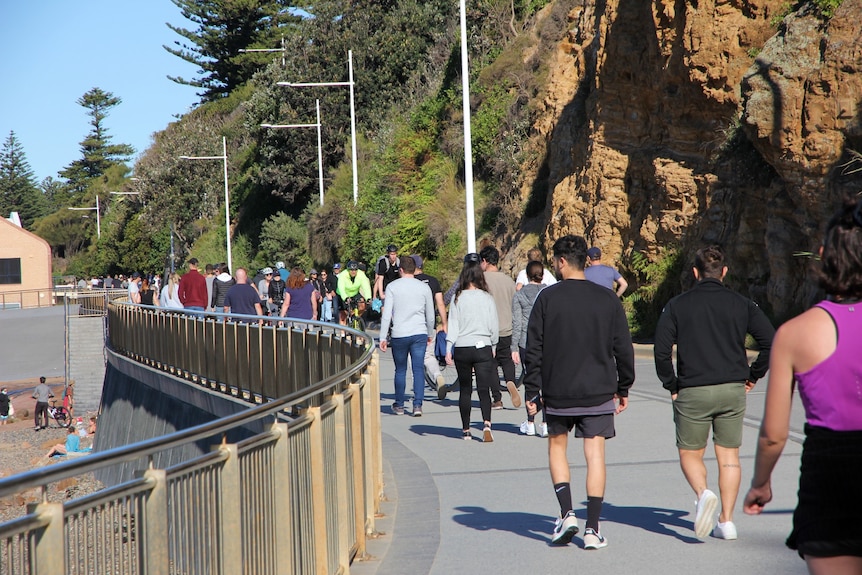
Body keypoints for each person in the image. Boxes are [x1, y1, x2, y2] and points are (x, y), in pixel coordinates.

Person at [744, 198, 862, 574]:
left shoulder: (795, 333)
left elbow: (774, 435)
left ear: (824, 255)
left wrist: (761, 484)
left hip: (831, 477)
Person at [654, 244, 775, 540]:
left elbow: (660, 351)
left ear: (695, 273)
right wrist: (752, 376)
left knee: (690, 453)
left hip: (693, 389)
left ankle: (703, 492)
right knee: (729, 456)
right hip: (732, 388)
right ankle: (727, 522)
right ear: (724, 272)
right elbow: (771, 341)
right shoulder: (742, 304)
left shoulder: (677, 305)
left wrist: (672, 385)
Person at [524, 235, 634, 549]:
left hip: (557, 390)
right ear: (586, 259)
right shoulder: (608, 299)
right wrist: (623, 387)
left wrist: (534, 391)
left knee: (557, 449)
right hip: (599, 390)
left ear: (560, 262)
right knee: (595, 455)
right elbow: (623, 349)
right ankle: (593, 529)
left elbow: (535, 349)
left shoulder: (547, 298)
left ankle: (567, 513)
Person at [446, 253, 499, 442]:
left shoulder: (457, 298)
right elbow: (494, 325)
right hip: (483, 345)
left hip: (462, 346)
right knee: (483, 389)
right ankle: (486, 424)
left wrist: (448, 348)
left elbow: (452, 325)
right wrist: (493, 344)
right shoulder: (487, 298)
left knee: (465, 389)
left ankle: (466, 430)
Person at [378, 256, 435, 416]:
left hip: (400, 333)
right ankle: (417, 405)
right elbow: (430, 315)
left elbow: (387, 314)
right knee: (418, 369)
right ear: (415, 269)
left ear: (400, 270)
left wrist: (383, 337)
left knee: (400, 369)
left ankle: (400, 405)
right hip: (419, 332)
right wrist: (430, 333)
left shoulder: (392, 287)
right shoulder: (424, 287)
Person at [480, 245, 520, 409]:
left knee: (491, 365)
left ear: (484, 261)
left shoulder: (481, 280)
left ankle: (497, 399)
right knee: (507, 360)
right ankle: (510, 381)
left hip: (489, 330)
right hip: (507, 327)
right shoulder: (508, 281)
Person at [512, 260, 548, 437]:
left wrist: (514, 347)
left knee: (530, 381)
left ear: (526, 276)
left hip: (526, 342)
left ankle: (531, 422)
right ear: (542, 275)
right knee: (548, 381)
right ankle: (546, 423)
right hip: (547, 342)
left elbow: (517, 323)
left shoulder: (519, 295)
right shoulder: (549, 292)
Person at [411, 255, 451, 399]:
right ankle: (437, 376)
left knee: (413, 358)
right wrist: (444, 323)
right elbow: (440, 303)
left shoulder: (409, 282)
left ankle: (418, 392)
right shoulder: (433, 281)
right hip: (429, 325)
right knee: (428, 355)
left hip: (412, 325)